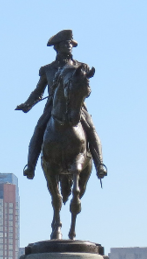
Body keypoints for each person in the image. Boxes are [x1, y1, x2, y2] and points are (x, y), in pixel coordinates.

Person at [15, 29, 106, 181]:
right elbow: (39, 91)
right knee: (38, 129)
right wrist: (28, 104)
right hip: (53, 107)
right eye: (65, 44)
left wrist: (82, 91)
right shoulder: (48, 69)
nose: (69, 46)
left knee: (91, 128)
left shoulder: (81, 67)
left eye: (70, 43)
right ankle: (30, 166)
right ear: (57, 47)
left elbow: (87, 90)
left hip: (77, 106)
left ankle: (100, 165)